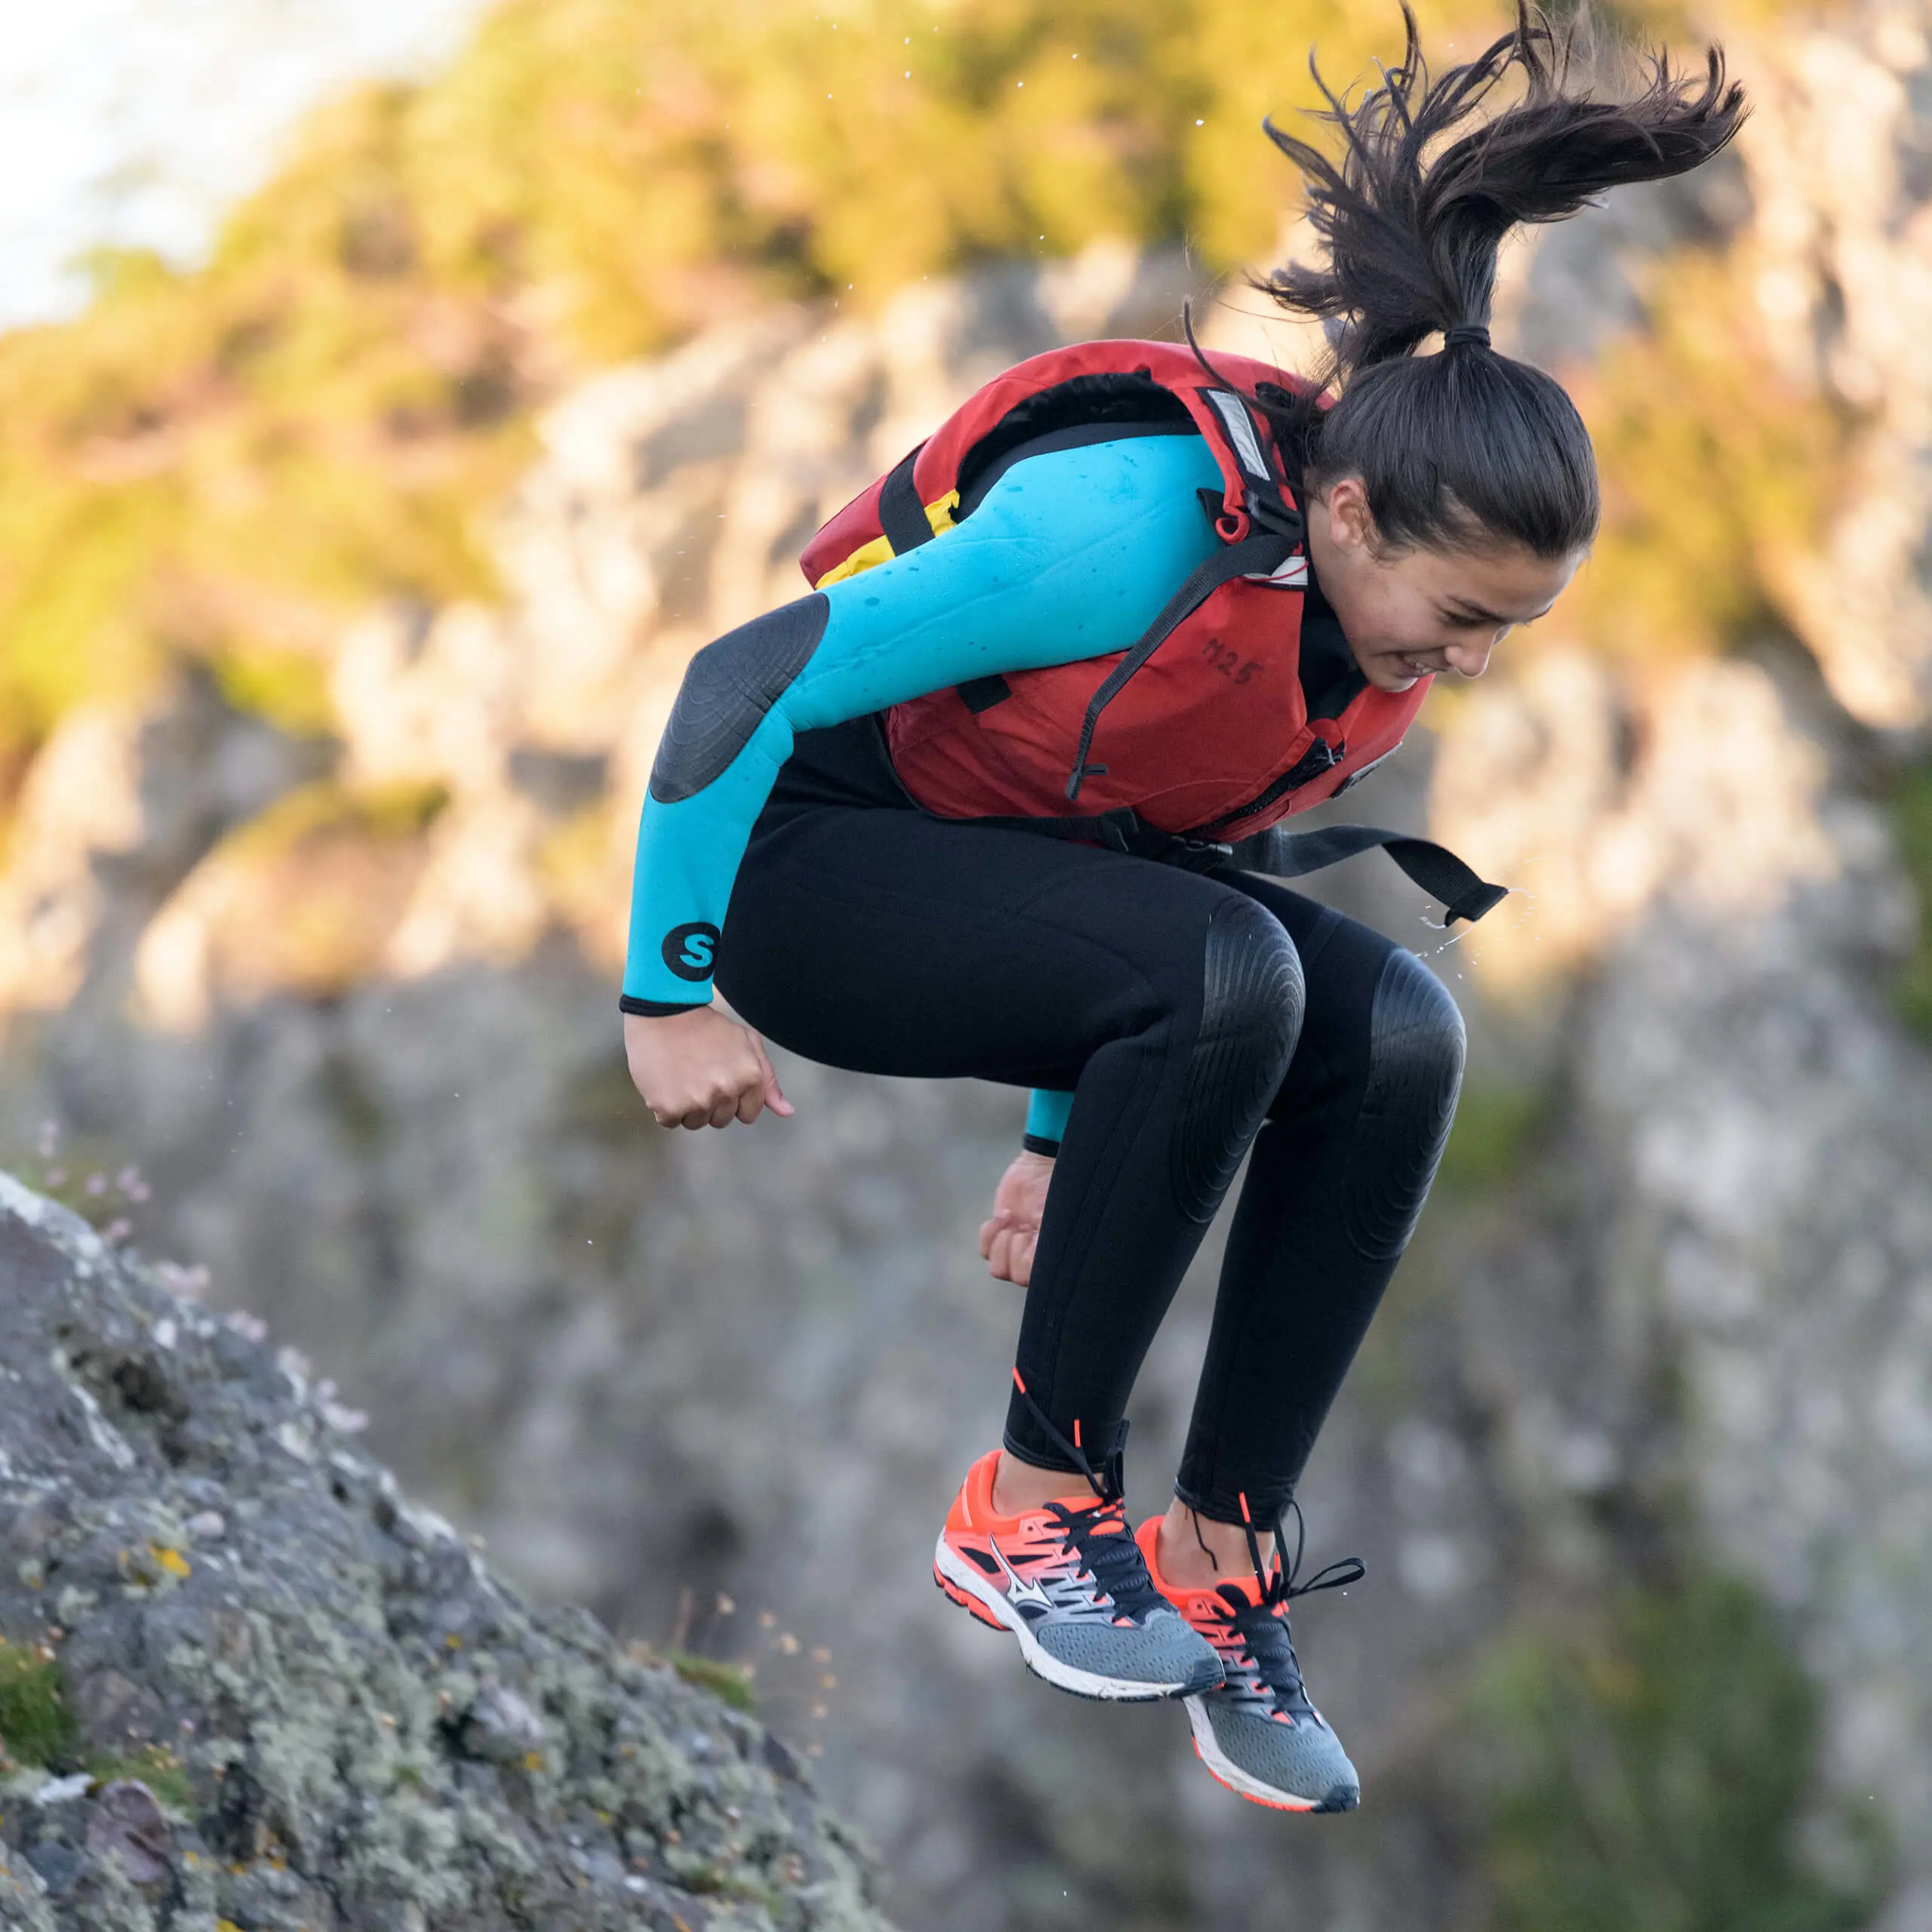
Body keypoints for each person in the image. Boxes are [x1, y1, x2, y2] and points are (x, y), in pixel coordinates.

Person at [620, 5, 1745, 1815]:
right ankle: (1031, 1509)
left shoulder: (1346, 647)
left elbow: (1128, 850)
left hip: (1003, 893)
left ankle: (1221, 1565)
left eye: (1501, 636)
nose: (1461, 662)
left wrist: (1077, 1140)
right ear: (1351, 506)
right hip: (794, 875)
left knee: (1394, 1028)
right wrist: (665, 991)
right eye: (1454, 611)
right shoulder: (1131, 524)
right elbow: (737, 677)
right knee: (1231, 963)